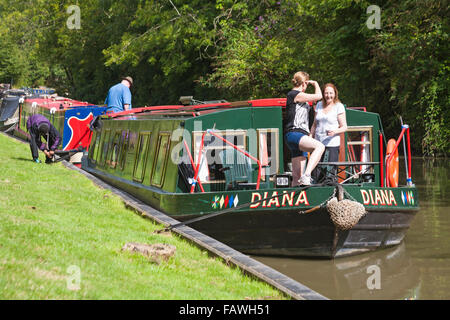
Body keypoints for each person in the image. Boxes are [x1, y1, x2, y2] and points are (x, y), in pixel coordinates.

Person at [285, 71, 325, 186]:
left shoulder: (299, 96)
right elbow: (319, 96)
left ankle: (293, 200)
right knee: (320, 146)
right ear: (303, 84)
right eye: (306, 84)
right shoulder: (294, 94)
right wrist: (316, 84)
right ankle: (307, 175)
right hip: (294, 133)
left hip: (299, 135)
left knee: (297, 176)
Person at [311, 83, 347, 180]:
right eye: (326, 93)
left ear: (335, 94)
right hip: (318, 143)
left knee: (330, 173)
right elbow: (314, 124)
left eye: (331, 93)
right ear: (323, 94)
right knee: (316, 171)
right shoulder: (318, 105)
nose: (328, 95)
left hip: (332, 143)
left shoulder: (338, 106)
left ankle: (331, 191)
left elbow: (344, 127)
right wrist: (310, 136)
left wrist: (335, 131)